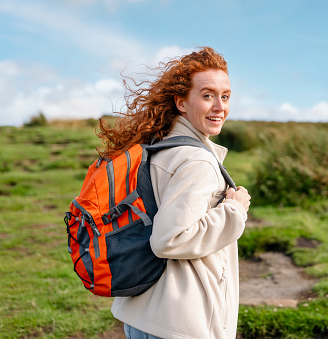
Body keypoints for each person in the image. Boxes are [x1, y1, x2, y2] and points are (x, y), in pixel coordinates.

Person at [97, 47, 251, 339]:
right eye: (207, 96)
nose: (220, 106)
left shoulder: (156, 147)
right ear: (181, 102)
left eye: (225, 96)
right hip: (177, 325)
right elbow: (168, 240)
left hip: (144, 315)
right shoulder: (196, 161)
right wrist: (233, 210)